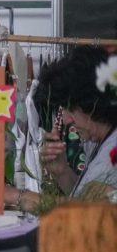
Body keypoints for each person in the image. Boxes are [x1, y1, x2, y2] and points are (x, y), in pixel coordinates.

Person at [7, 47, 117, 208]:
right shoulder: (95, 142)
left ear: (92, 103)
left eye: (70, 109)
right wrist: (62, 172)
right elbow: (82, 197)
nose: (65, 120)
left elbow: (85, 212)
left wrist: (16, 196)